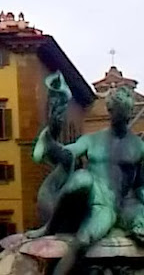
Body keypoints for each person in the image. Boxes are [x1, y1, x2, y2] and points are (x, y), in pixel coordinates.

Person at [33, 83, 144, 275]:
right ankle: (50, 226)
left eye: (124, 113)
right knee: (81, 178)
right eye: (117, 112)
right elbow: (68, 154)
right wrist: (51, 141)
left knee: (83, 241)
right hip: (94, 191)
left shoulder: (139, 147)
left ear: (130, 112)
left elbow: (140, 185)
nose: (121, 118)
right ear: (110, 111)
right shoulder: (92, 140)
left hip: (111, 204)